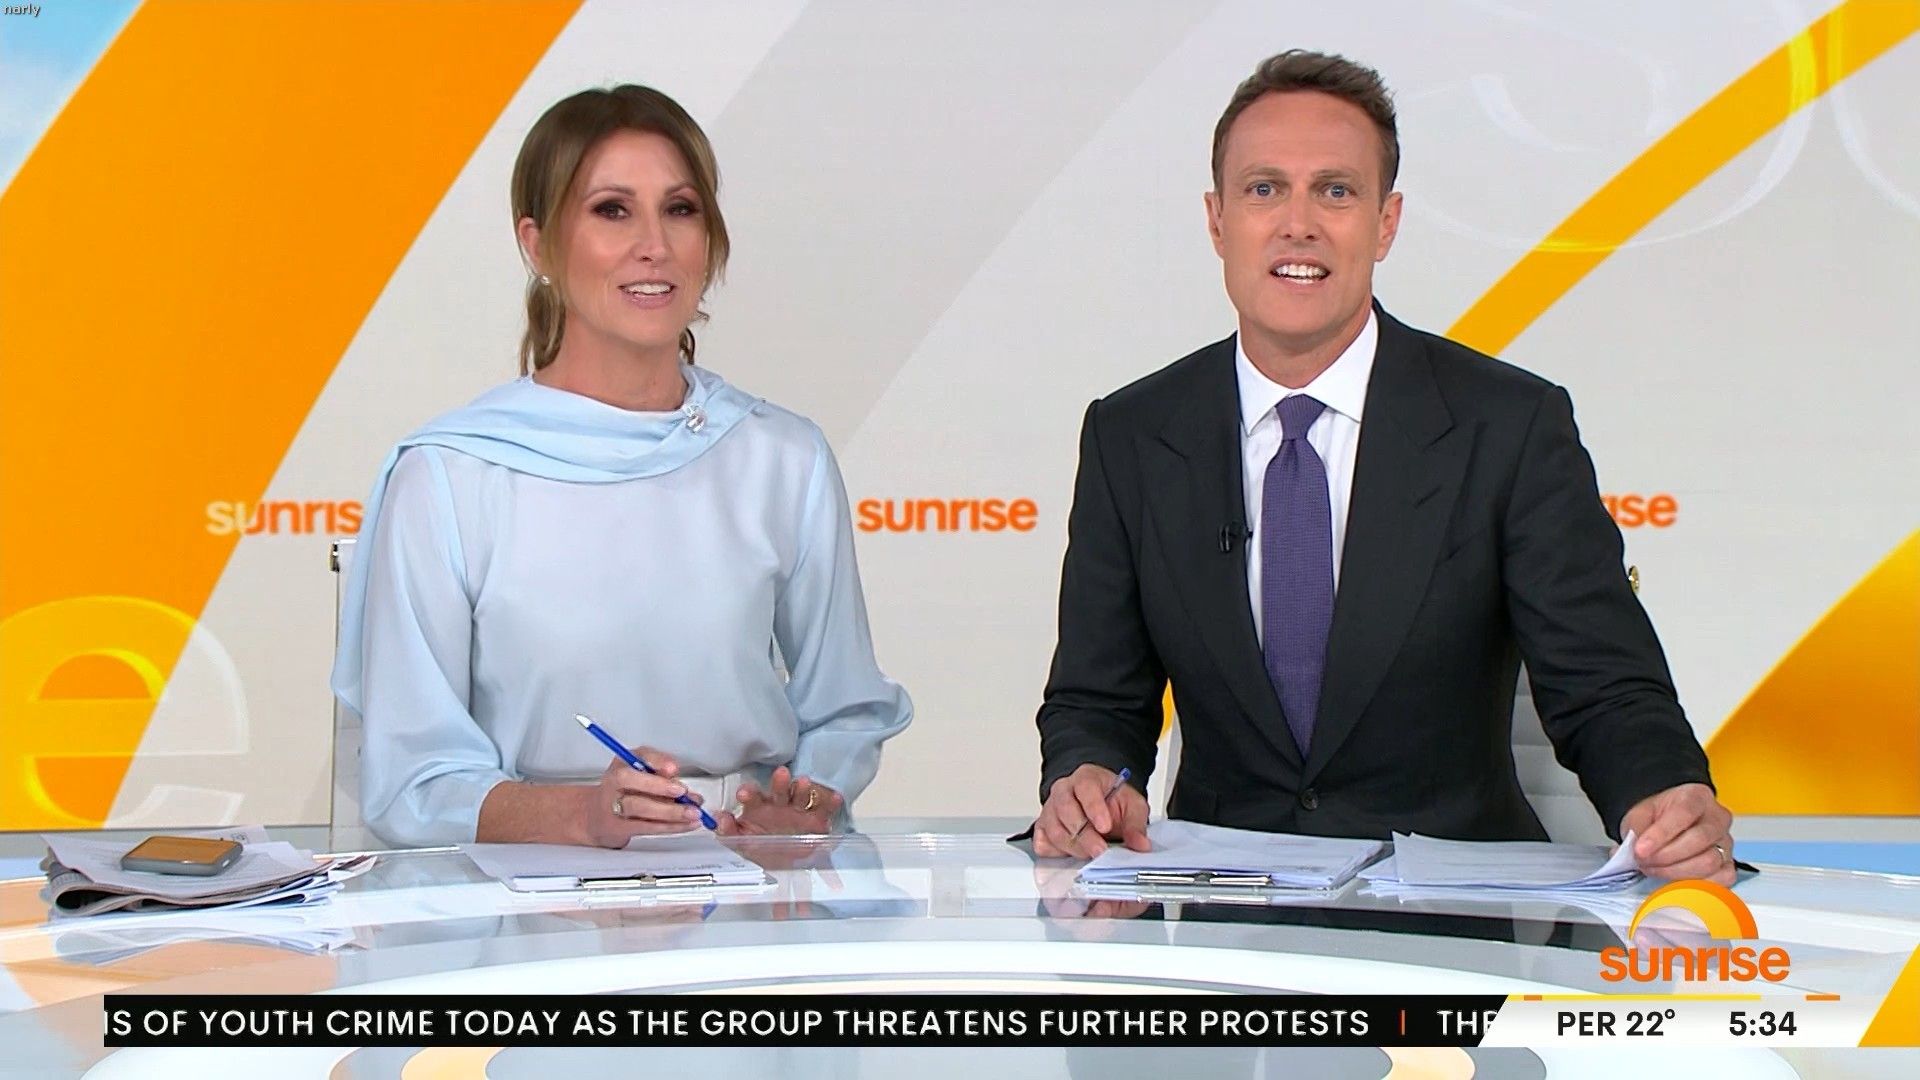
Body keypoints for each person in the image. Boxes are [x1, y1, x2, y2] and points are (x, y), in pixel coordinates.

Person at [1032, 51, 1735, 884]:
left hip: (1457, 917)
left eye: (1335, 191)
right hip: (1227, 909)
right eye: (1264, 189)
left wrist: (1662, 793)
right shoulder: (1133, 436)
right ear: (1218, 221)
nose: (1298, 223)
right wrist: (1088, 779)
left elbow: (1606, 687)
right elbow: (1096, 702)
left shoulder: (1506, 426)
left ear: (1386, 222)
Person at [332, 85, 911, 849]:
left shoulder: (784, 458)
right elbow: (413, 778)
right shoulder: (447, 477)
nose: (654, 245)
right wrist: (582, 816)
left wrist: (805, 807)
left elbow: (843, 711)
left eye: (680, 209)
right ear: (537, 245)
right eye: (612, 210)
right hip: (519, 896)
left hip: (751, 887)